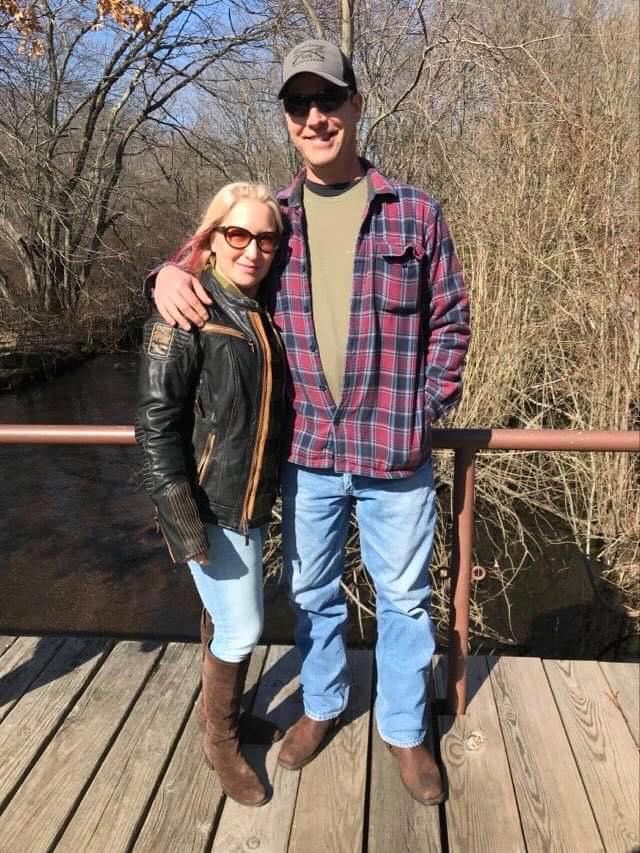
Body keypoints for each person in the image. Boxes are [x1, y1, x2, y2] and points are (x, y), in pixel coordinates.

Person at [148, 40, 471, 806]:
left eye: (329, 99)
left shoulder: (414, 212)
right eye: (300, 103)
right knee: (313, 589)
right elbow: (206, 262)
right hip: (307, 453)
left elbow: (451, 322)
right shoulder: (274, 220)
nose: (316, 116)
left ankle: (404, 728)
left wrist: (425, 408)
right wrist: (161, 274)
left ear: (356, 106)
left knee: (404, 598)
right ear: (287, 118)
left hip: (394, 451)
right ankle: (322, 703)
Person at [136, 182, 286, 808]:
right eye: (238, 234)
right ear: (214, 238)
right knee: (244, 626)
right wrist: (181, 518)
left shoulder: (260, 308)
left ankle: (229, 716)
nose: (253, 250)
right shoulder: (187, 311)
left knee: (228, 618)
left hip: (250, 500)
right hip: (210, 503)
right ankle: (219, 741)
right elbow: (155, 425)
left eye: (266, 239)